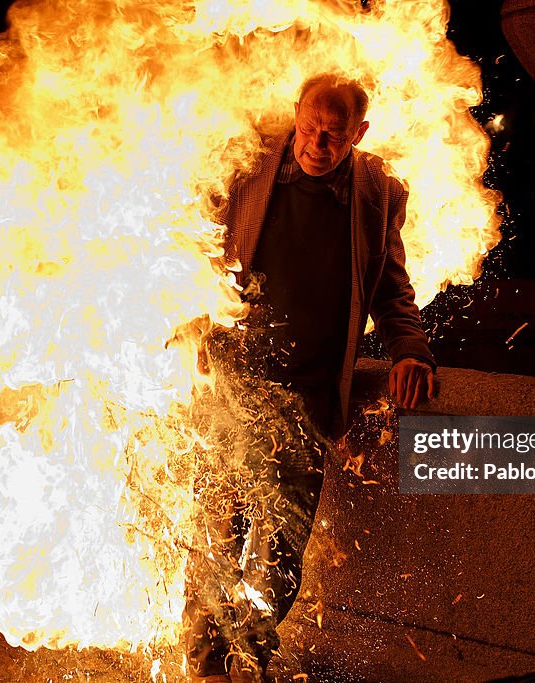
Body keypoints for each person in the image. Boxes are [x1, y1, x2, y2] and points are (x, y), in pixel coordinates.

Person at [185, 73, 436, 682]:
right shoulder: (247, 165)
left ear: (359, 133)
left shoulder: (379, 194)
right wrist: (189, 311)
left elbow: (390, 285)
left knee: (280, 551)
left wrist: (409, 349)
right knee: (218, 535)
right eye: (308, 127)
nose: (316, 143)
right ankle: (205, 664)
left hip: (307, 395)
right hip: (235, 382)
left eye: (332, 134)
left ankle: (250, 658)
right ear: (295, 114)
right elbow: (196, 244)